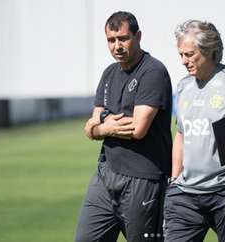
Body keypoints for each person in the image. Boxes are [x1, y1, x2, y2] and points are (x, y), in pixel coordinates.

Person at [74, 11, 173, 242]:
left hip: (143, 180)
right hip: (105, 174)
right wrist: (104, 128)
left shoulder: (153, 71)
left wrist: (101, 126)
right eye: (111, 40)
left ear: (138, 36)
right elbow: (90, 127)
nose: (117, 46)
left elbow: (138, 128)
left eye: (123, 38)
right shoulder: (109, 73)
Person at [163, 20, 225, 242]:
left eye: (189, 54)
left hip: (224, 192)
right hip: (185, 195)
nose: (183, 61)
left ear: (209, 50)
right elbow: (181, 134)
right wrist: (174, 180)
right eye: (181, 55)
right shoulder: (183, 86)